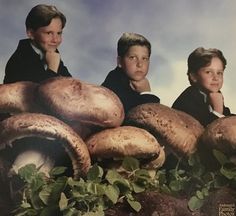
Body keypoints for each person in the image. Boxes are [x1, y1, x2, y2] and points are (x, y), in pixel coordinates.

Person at [4, 4, 71, 84]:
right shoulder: (18, 62)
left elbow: (70, 84)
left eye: (59, 33)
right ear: (31, 33)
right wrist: (52, 69)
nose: (56, 40)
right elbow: (39, 94)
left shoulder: (51, 52)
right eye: (49, 33)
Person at [172, 47, 232, 127]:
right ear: (194, 76)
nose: (216, 78)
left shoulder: (215, 95)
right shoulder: (188, 100)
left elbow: (227, 116)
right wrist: (217, 111)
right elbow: (203, 132)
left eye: (219, 73)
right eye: (208, 72)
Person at [101, 32, 160, 114]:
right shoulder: (114, 84)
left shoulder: (130, 81)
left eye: (144, 58)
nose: (140, 64)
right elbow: (148, 116)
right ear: (120, 61)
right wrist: (146, 93)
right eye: (132, 58)